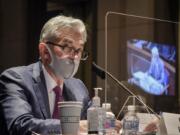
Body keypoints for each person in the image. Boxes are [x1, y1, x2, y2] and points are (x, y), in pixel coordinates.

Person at [0, 15, 91, 135]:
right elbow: (20, 125)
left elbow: (90, 124)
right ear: (45, 51)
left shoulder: (78, 87)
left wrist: (104, 122)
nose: (74, 57)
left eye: (78, 50)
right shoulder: (16, 79)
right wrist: (71, 127)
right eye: (67, 47)